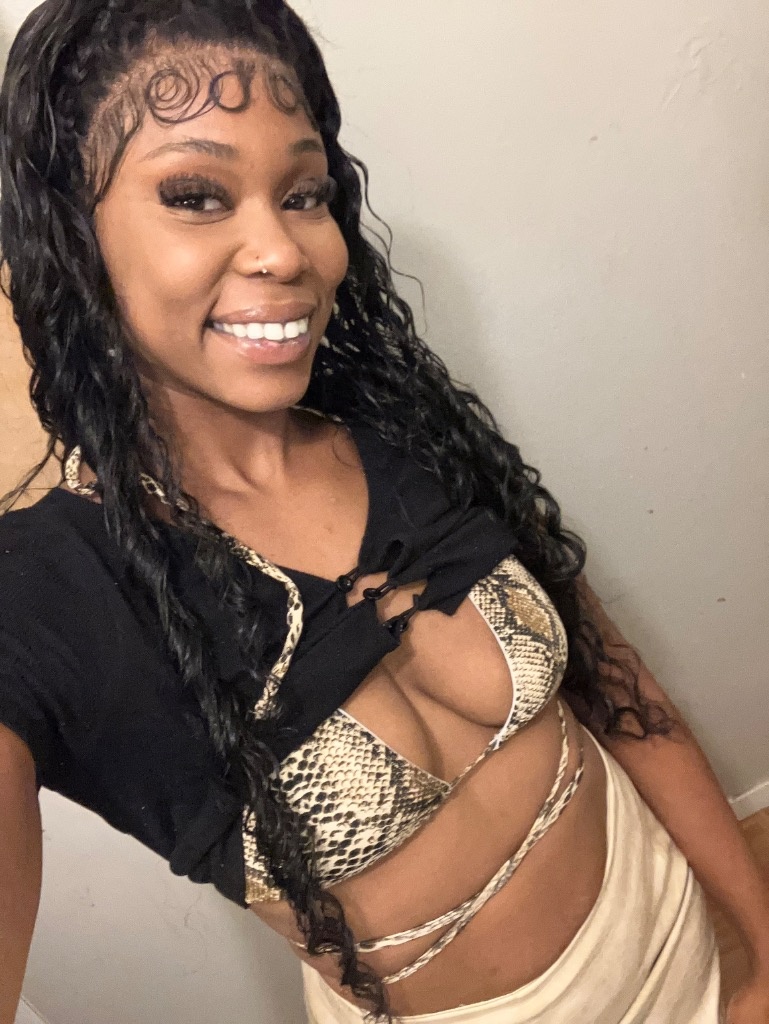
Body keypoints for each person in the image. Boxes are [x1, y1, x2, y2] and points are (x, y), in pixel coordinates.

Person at [0, 1, 767, 1022]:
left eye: (303, 194)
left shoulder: (402, 430)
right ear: (71, 238)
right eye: (196, 195)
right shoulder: (45, 600)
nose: (283, 251)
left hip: (668, 921)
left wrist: (761, 943)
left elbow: (617, 687)